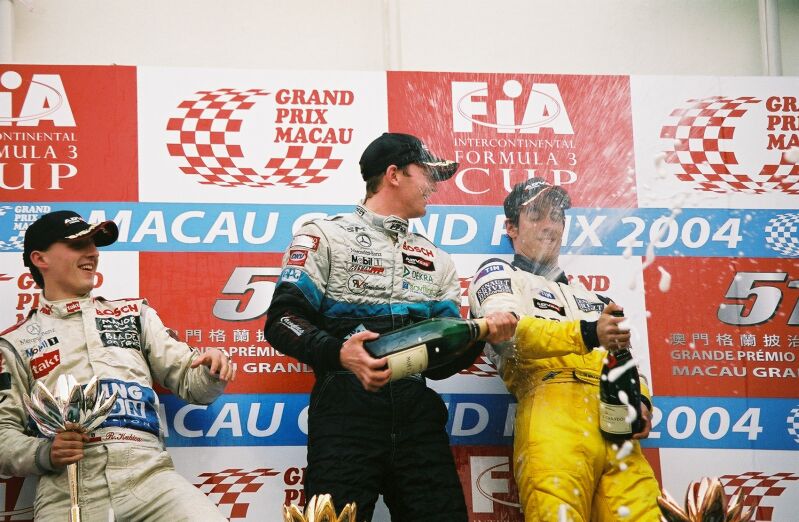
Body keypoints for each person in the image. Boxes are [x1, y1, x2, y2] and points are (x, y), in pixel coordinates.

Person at [264, 132, 517, 521]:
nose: (434, 187)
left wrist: (480, 335)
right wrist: (340, 354)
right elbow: (282, 320)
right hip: (345, 413)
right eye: (427, 174)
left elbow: (441, 364)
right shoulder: (324, 236)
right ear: (394, 174)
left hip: (417, 417)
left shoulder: (436, 258)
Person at [0, 210, 235, 521]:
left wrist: (210, 370)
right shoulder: (15, 343)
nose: (93, 253)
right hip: (67, 488)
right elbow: (3, 436)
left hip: (149, 478)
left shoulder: (134, 314)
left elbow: (195, 387)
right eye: (78, 244)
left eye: (93, 244)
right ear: (40, 259)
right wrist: (45, 453)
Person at [468, 178, 661, 521]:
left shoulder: (595, 298)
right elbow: (509, 335)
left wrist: (641, 401)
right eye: (536, 216)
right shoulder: (498, 274)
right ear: (511, 227)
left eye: (556, 217)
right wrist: (589, 332)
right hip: (550, 415)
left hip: (616, 426)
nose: (549, 225)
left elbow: (627, 361)